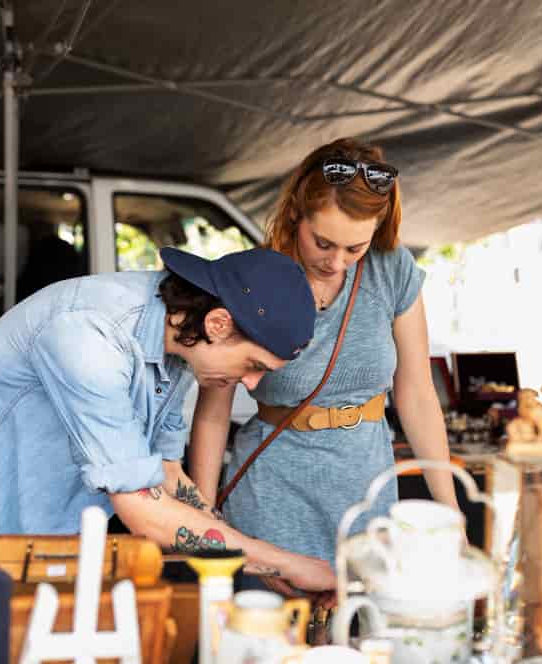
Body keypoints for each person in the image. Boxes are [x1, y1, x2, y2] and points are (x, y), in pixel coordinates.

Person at [0, 246, 338, 594]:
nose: (254, 384)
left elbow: (164, 472)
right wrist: (282, 561)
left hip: (50, 542)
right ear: (220, 324)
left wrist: (252, 559)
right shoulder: (89, 336)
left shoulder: (179, 339)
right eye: (255, 364)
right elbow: (142, 508)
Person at [188, 138, 459, 596]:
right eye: (323, 243)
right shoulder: (255, 277)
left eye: (356, 247)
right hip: (272, 494)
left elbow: (416, 394)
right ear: (297, 213)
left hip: (366, 490)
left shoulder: (393, 269)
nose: (337, 263)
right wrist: (204, 522)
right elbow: (213, 410)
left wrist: (450, 514)